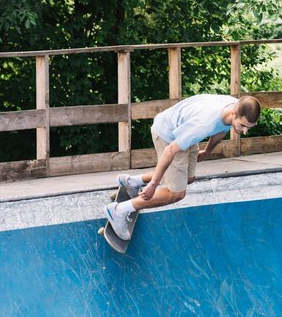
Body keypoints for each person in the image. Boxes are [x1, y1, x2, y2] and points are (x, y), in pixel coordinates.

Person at [104, 94, 261, 240]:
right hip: (167, 136)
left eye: (249, 127)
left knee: (188, 178)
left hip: (185, 131)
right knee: (176, 193)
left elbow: (221, 131)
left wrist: (207, 151)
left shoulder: (233, 107)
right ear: (234, 113)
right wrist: (153, 184)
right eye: (243, 125)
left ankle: (131, 181)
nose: (245, 131)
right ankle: (118, 211)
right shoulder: (203, 124)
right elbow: (170, 150)